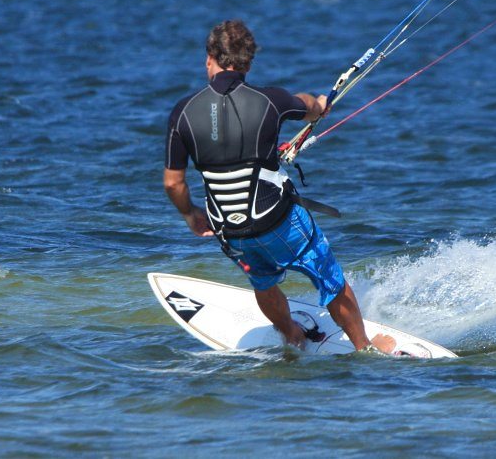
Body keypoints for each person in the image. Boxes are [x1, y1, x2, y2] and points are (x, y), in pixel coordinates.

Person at [163, 20, 395, 354]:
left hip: (230, 229)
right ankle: (365, 348)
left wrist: (190, 214)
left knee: (263, 279)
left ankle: (290, 333)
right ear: (249, 63)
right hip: (279, 222)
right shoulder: (270, 100)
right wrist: (318, 103)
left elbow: (173, 183)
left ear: (209, 58)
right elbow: (311, 107)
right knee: (329, 279)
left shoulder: (182, 113)